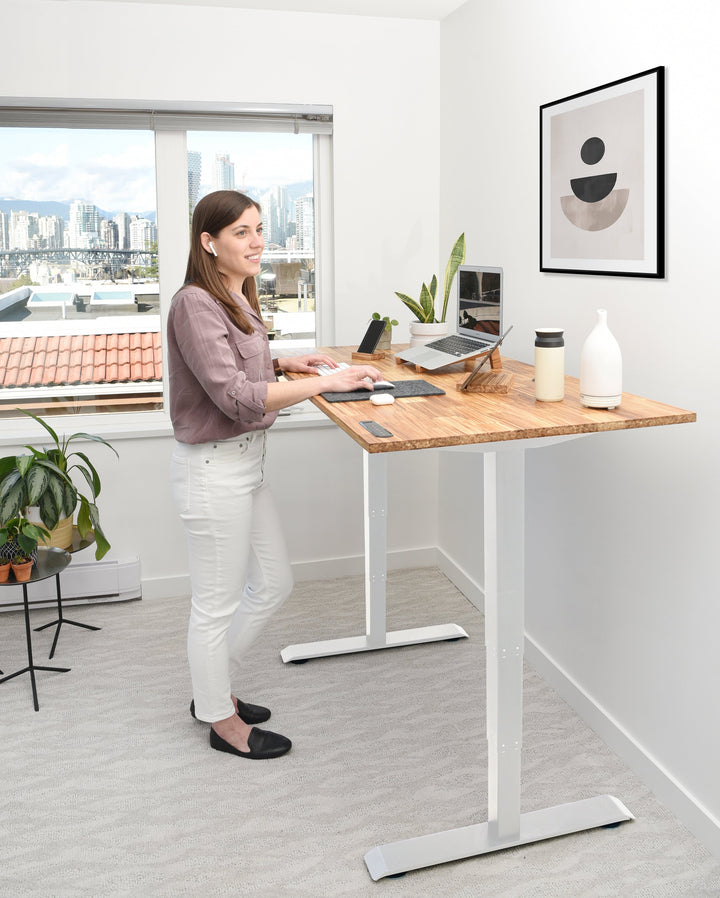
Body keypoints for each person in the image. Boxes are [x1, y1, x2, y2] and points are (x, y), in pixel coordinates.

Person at [167, 189, 382, 760]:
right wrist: (327, 383)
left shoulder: (235, 295)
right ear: (209, 243)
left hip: (245, 465)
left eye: (259, 228)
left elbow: (242, 363)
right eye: (241, 232)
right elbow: (235, 396)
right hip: (213, 469)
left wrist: (288, 361)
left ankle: (210, 691)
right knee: (213, 605)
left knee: (275, 582)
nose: (258, 241)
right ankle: (221, 718)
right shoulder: (194, 302)